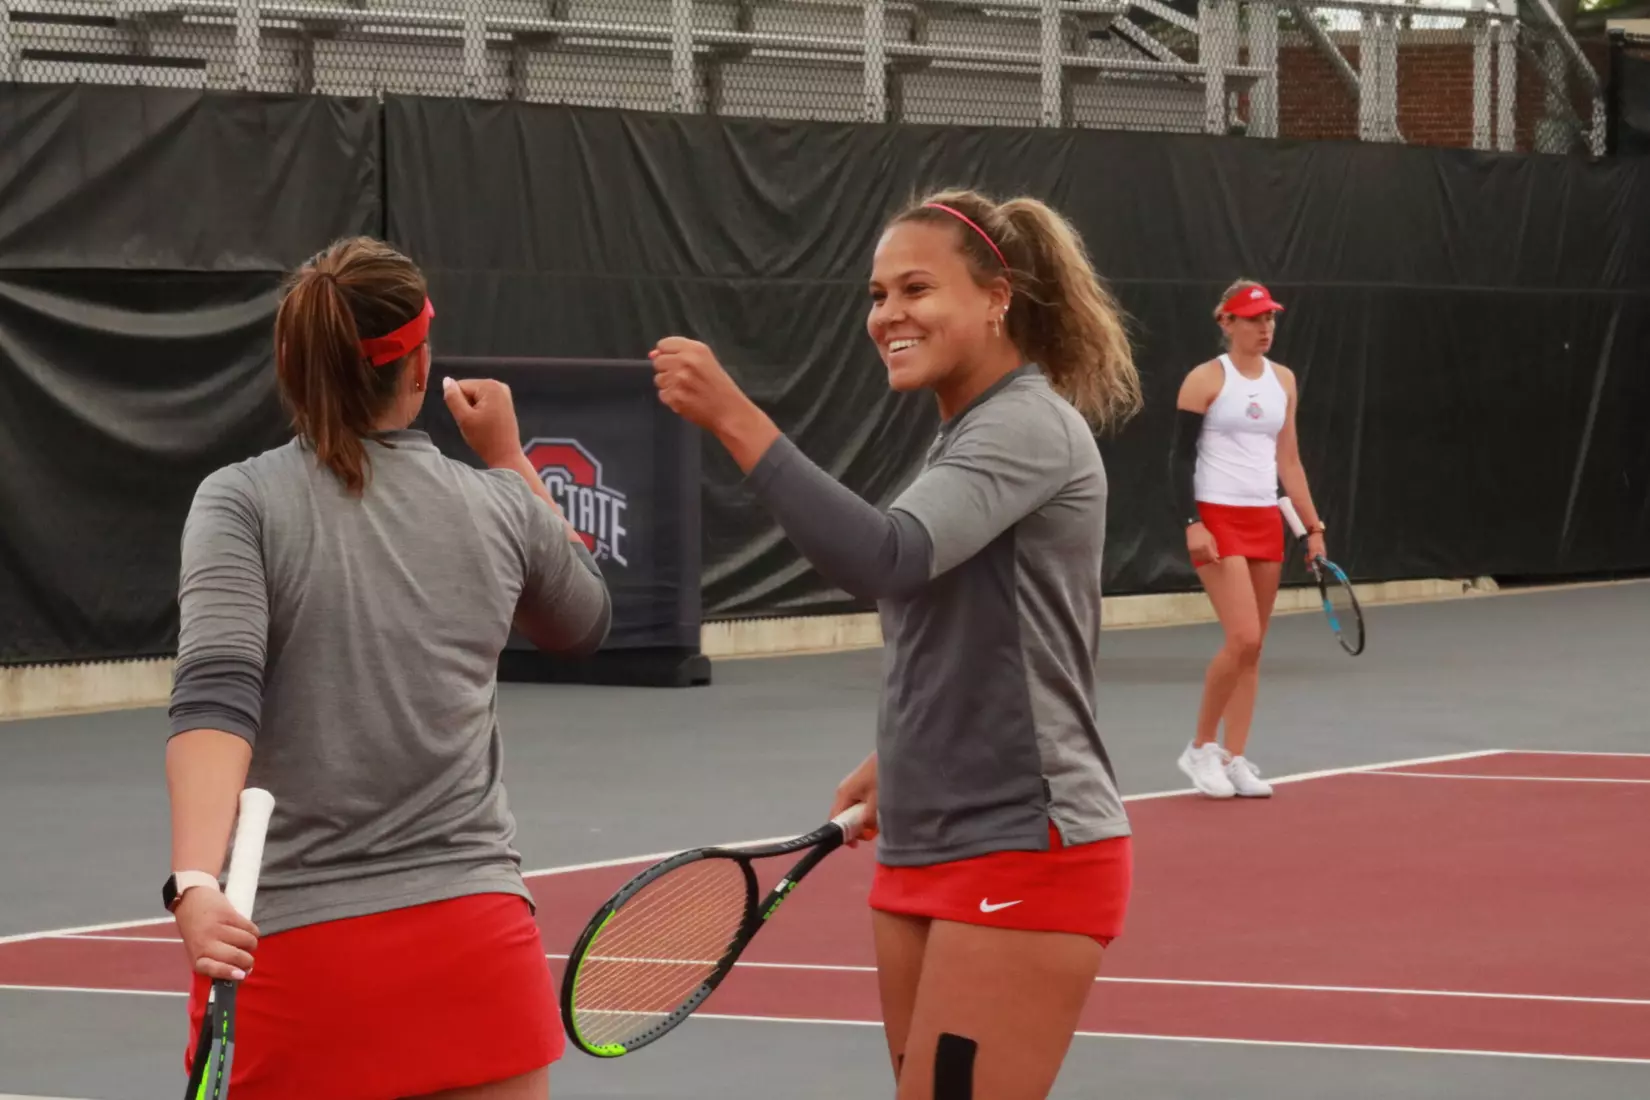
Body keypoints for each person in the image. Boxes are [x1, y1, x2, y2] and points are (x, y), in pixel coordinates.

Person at [650, 189, 1142, 1100]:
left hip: (1022, 850)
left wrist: (734, 416)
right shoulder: (963, 437)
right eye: (877, 296)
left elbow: (890, 557)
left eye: (917, 288)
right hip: (925, 839)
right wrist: (904, 752)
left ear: (997, 296)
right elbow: (969, 626)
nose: (888, 316)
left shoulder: (1028, 425)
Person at [163, 236, 611, 1100]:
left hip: (299, 964)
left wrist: (192, 882)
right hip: (479, 956)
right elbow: (585, 616)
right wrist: (512, 458)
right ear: (420, 366)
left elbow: (216, 699)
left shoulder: (240, 502)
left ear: (293, 368)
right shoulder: (500, 504)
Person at [1169, 280, 1326, 800]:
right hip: (1217, 516)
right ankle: (1199, 748)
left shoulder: (1283, 380)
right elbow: (1178, 460)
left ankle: (1235, 758)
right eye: (1254, 319)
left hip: (1265, 519)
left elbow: (1290, 461)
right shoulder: (1204, 380)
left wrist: (1313, 528)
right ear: (1227, 322)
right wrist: (1192, 522)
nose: (1265, 328)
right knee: (1243, 638)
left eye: (1270, 319)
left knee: (1254, 651)